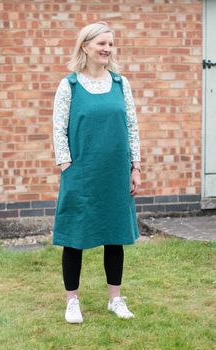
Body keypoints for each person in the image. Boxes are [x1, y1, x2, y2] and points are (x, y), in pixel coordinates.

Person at [52, 21, 141, 324]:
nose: (107, 49)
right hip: (81, 173)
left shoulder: (120, 84)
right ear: (85, 46)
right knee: (74, 236)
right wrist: (66, 165)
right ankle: (72, 301)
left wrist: (135, 166)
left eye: (110, 44)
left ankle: (115, 299)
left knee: (114, 235)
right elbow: (58, 129)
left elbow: (132, 127)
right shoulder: (70, 85)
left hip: (116, 172)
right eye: (101, 43)